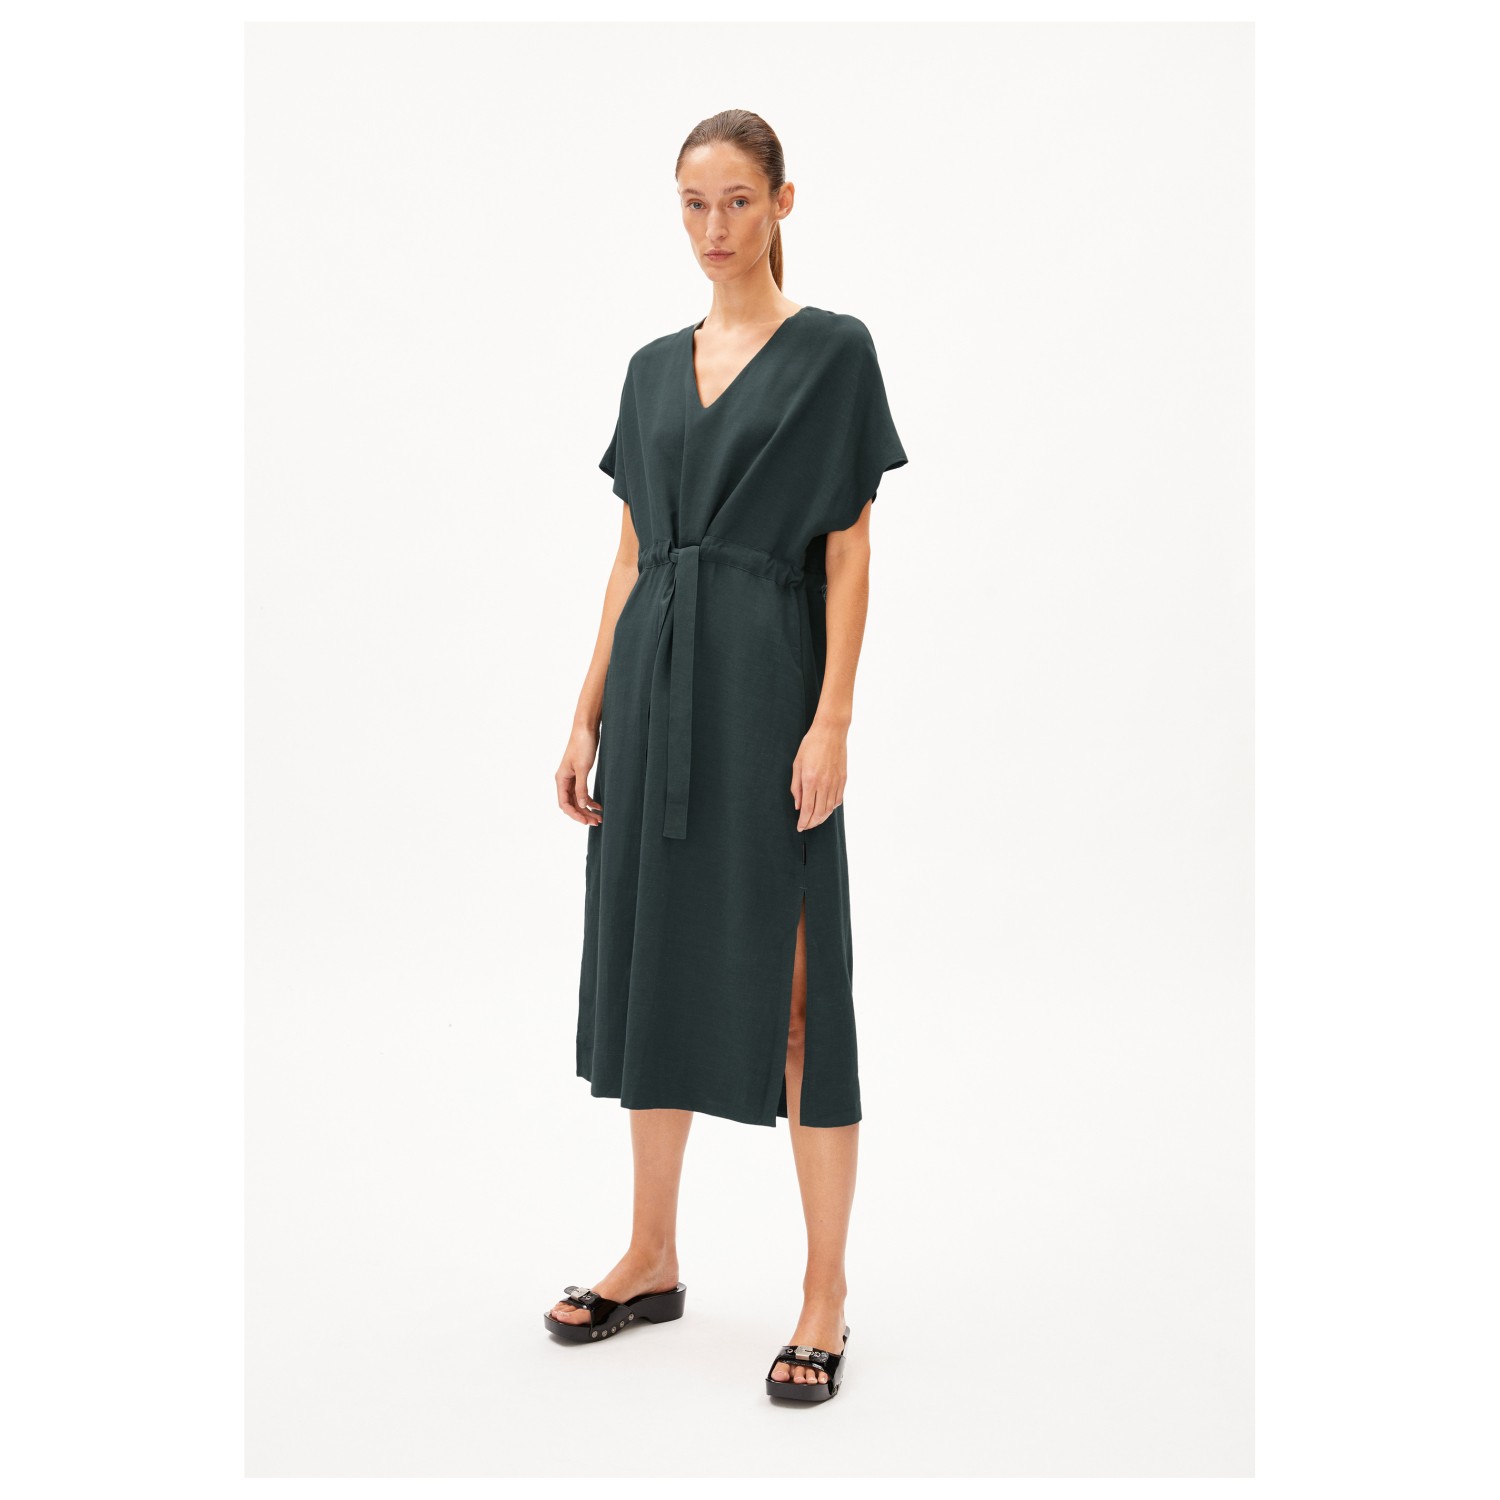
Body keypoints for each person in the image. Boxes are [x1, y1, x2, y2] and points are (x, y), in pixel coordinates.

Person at [547, 109, 908, 1403]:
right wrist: (587, 711)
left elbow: (849, 552)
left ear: (782, 203)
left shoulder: (833, 353)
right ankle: (651, 1255)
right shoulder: (651, 369)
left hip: (768, 698)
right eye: (694, 204)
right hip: (654, 697)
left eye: (739, 201)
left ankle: (825, 1293)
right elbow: (631, 556)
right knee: (655, 974)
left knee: (802, 996)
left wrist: (832, 719)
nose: (714, 228)